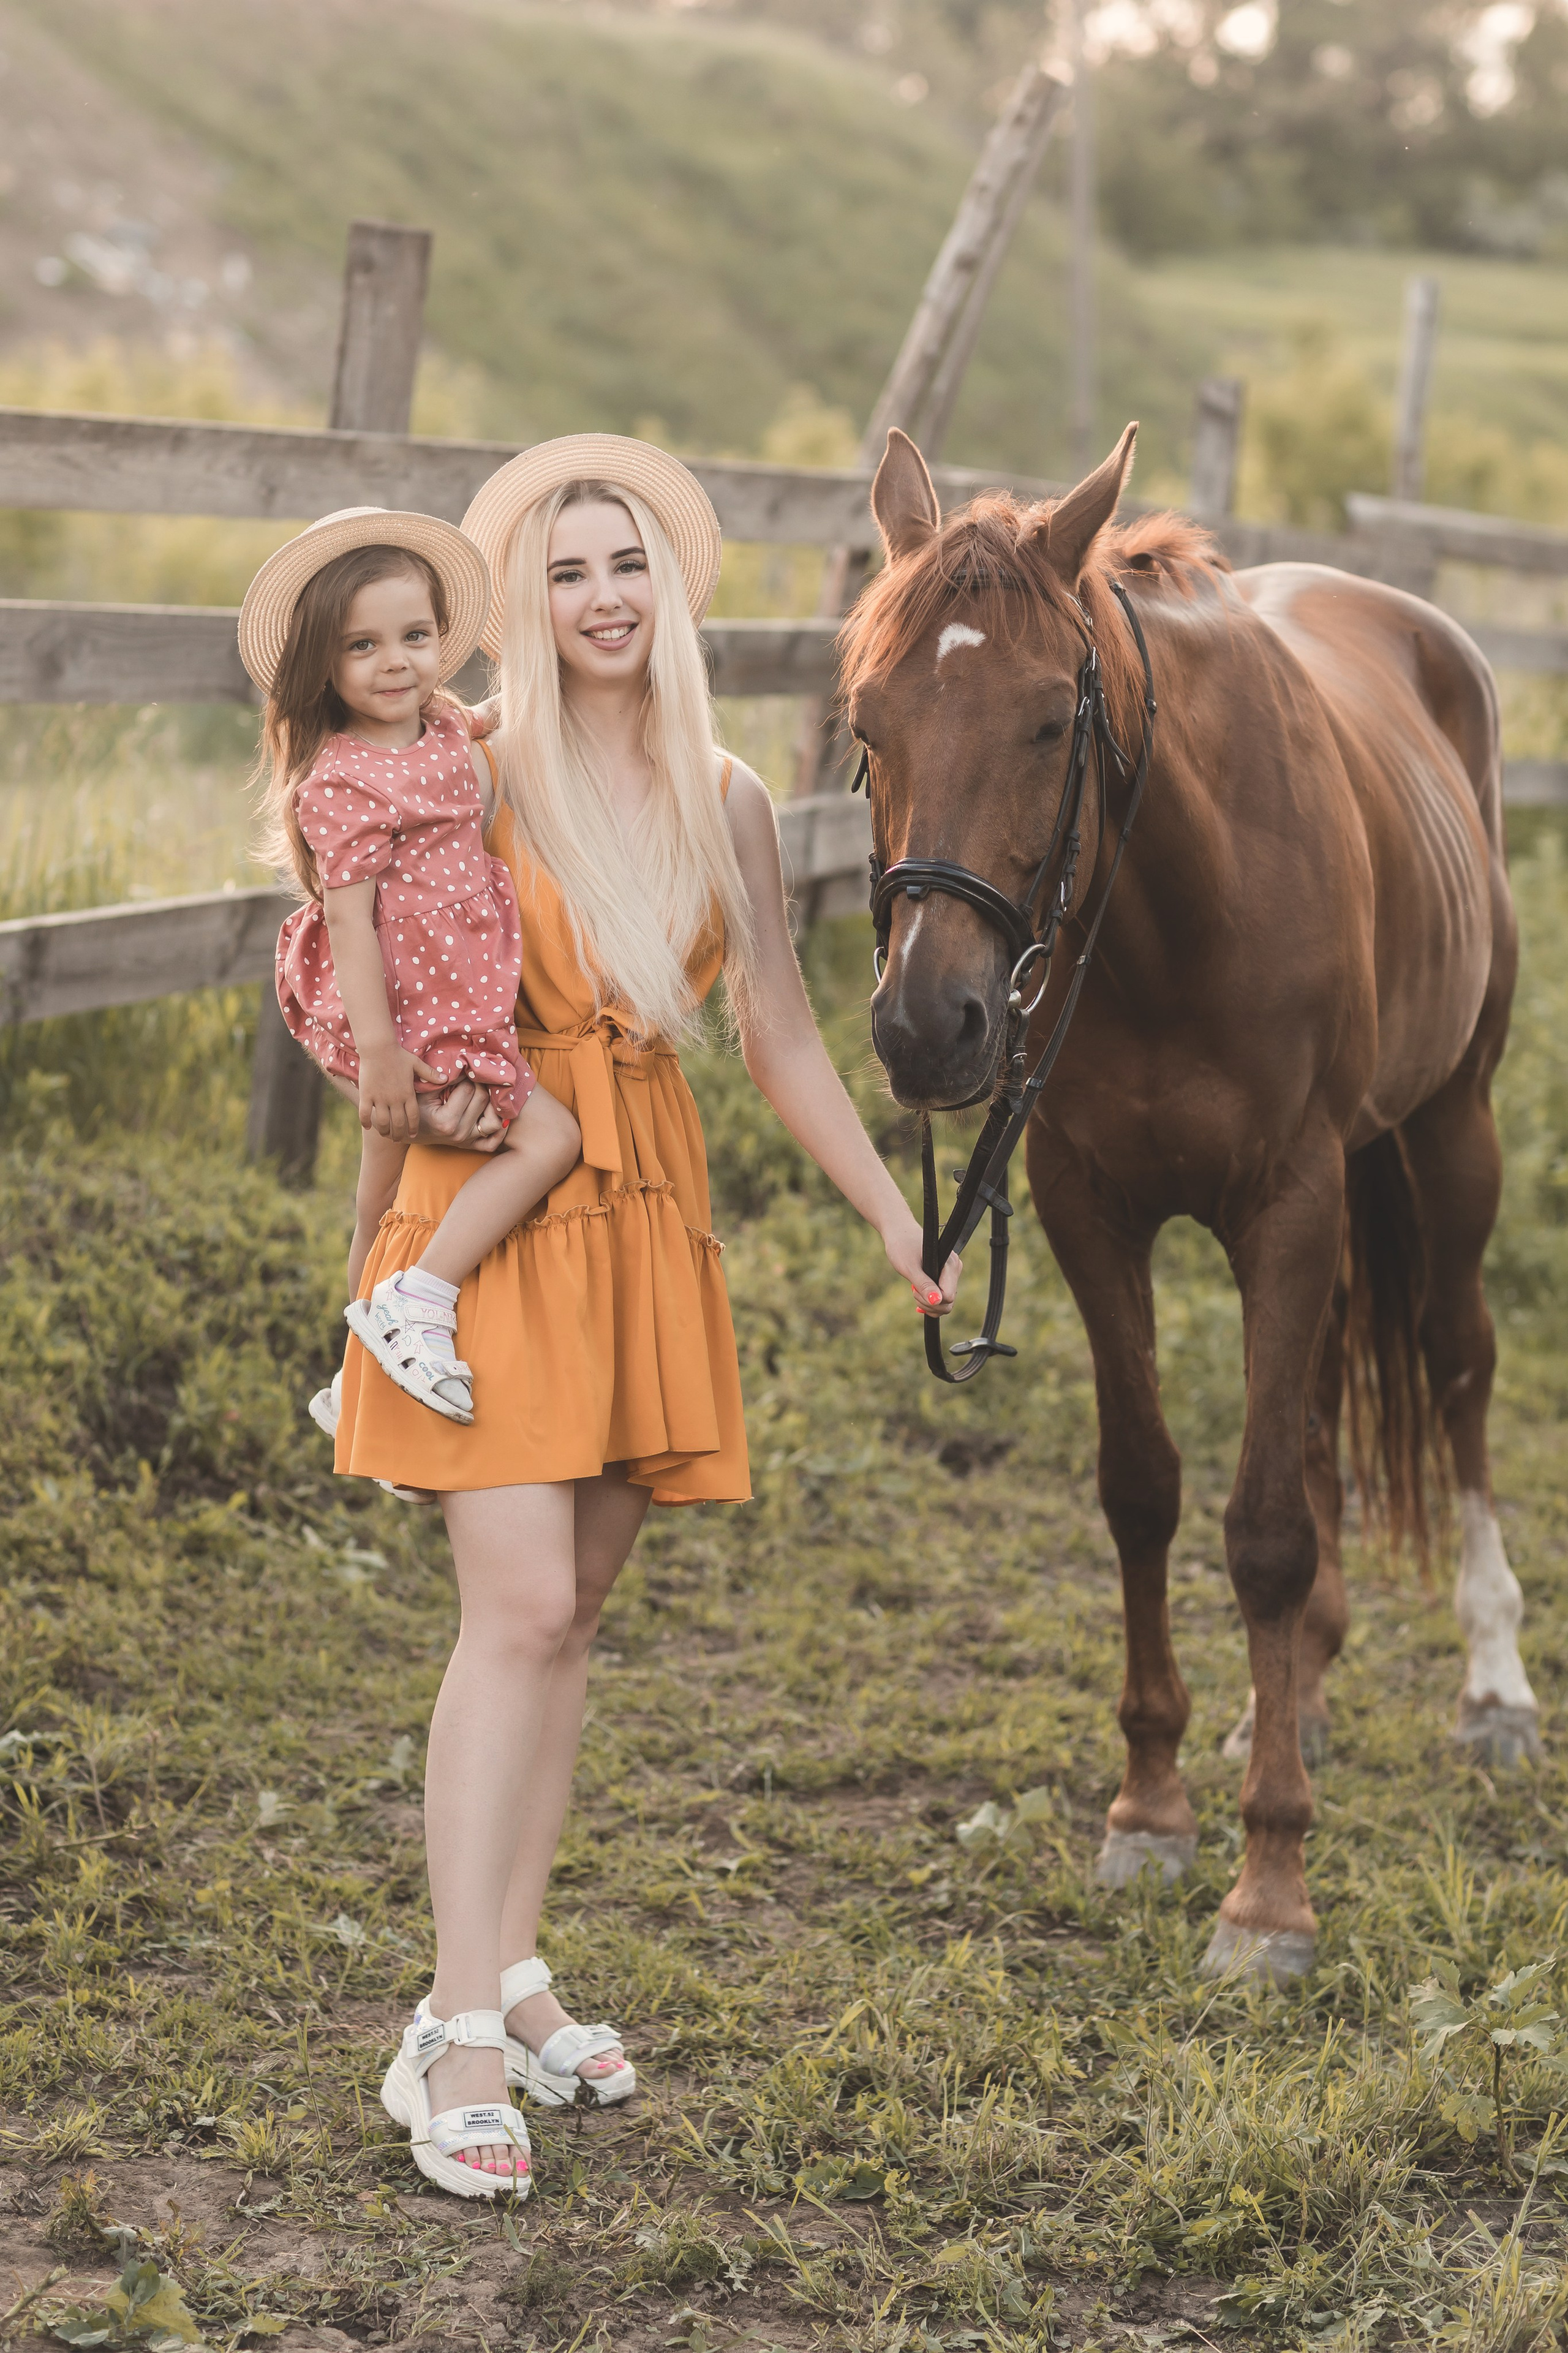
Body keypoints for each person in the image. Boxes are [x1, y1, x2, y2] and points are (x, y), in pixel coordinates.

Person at [333, 436, 961, 2200]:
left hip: (645, 1211)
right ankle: (453, 2031)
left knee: (579, 1612)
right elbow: (356, 941)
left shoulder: (728, 792)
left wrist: (892, 1209)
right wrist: (379, 1188)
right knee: (517, 1607)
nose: (603, 597)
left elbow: (779, 1034)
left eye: (628, 565)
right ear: (522, 604)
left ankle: (513, 1966)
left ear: (670, 588)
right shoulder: (467, 769)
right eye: (566, 571)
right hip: (494, 1190)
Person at [243, 509, 582, 1440]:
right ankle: (419, 1297)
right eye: (364, 645)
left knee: (379, 1193)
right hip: (416, 1010)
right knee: (549, 1141)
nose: (396, 662)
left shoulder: (438, 724)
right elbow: (349, 923)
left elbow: (491, 716)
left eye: (416, 636)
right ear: (323, 664)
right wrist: (382, 1054)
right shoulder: (341, 780)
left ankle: (356, 1375)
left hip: (459, 987)